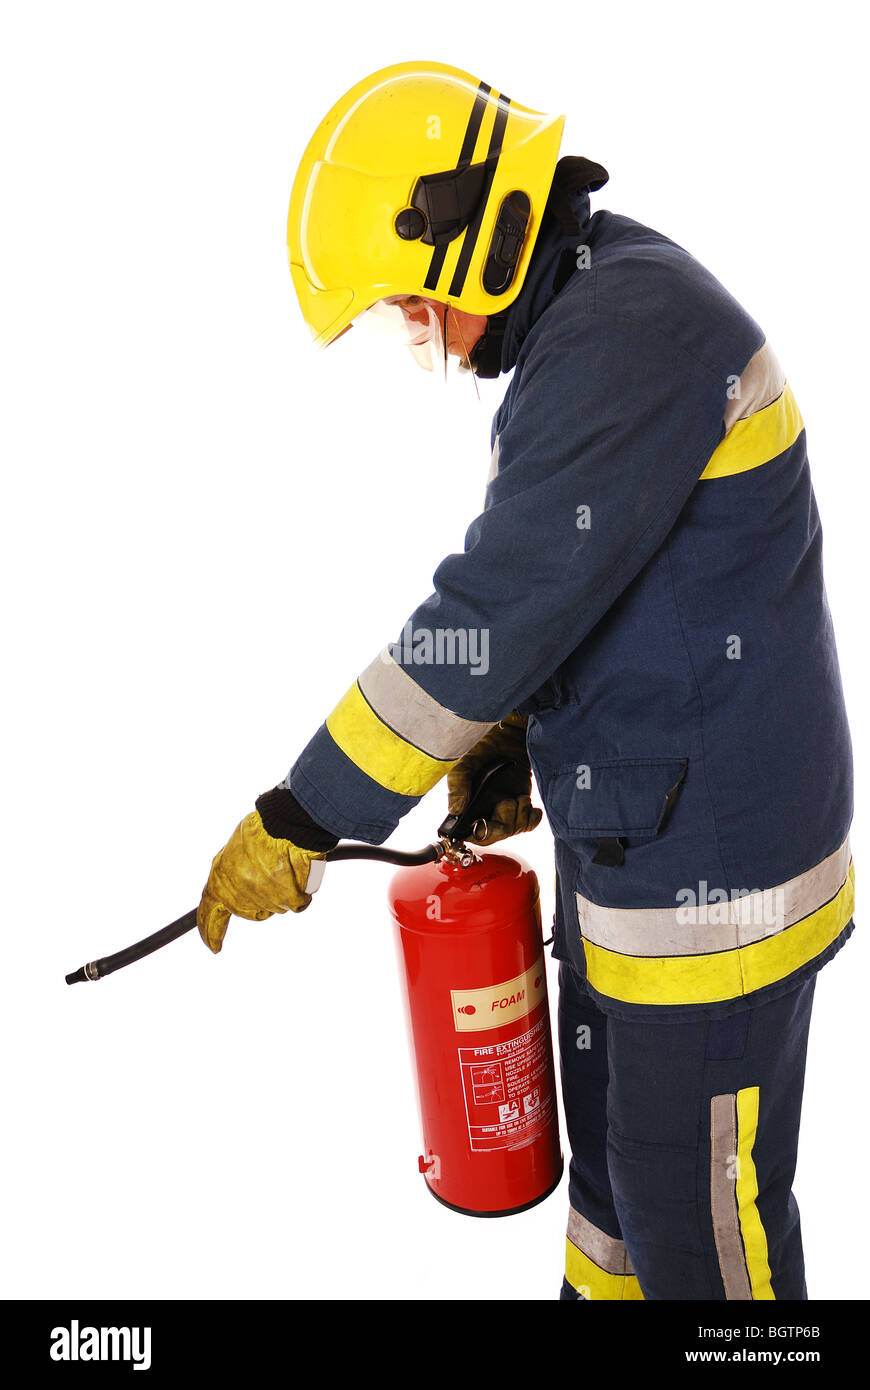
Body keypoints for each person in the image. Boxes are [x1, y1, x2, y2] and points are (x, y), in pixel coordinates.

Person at [196, 61, 855, 1301]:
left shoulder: (625, 339)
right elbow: (601, 585)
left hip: (715, 898)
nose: (419, 335)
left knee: (703, 1234)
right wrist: (505, 744)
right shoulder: (596, 318)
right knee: (619, 1199)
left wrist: (306, 812)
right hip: (642, 867)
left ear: (468, 240)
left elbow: (491, 613)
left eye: (406, 305)